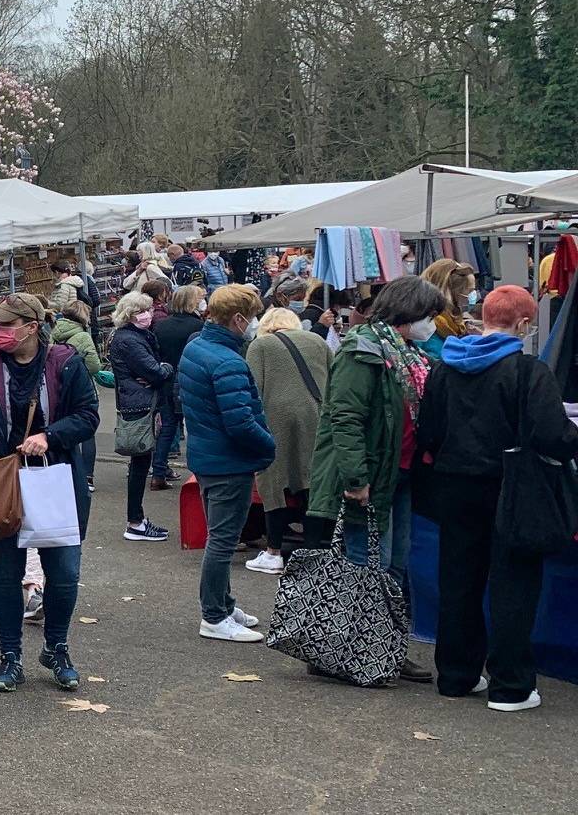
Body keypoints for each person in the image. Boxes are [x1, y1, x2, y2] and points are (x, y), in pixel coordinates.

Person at [417, 285, 578, 712]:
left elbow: (428, 430)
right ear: (524, 324)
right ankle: (511, 686)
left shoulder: (443, 368)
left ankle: (456, 675)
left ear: (484, 316)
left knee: (458, 581)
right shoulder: (528, 372)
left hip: (454, 486)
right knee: (514, 584)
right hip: (513, 488)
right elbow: (553, 435)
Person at [0, 294, 99, 691]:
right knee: (7, 575)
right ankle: (10, 656)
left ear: (32, 327)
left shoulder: (65, 362)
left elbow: (88, 416)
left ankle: (56, 647)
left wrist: (50, 436)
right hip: (0, 480)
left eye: (6, 326)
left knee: (64, 574)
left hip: (55, 480)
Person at [306, 276, 449, 683]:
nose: (433, 323)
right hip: (371, 475)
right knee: (367, 564)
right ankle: (345, 650)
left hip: (397, 474)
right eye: (430, 315)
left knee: (393, 566)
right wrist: (355, 478)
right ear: (411, 312)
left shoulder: (406, 352)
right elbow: (345, 417)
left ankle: (382, 647)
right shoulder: (364, 349)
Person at [178, 284, 277, 643]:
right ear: (238, 319)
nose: (253, 325)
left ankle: (222, 603)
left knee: (220, 538)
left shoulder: (197, 347)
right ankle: (214, 615)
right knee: (222, 541)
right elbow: (241, 422)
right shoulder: (228, 361)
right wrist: (269, 447)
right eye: (251, 318)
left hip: (207, 457)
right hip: (228, 462)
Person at [243, 307, 331, 575]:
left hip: (276, 417)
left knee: (273, 482)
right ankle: (314, 551)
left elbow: (253, 389)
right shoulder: (317, 341)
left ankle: (274, 552)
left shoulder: (260, 345)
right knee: (311, 480)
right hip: (316, 417)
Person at [108, 292, 173, 542]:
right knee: (139, 461)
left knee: (141, 462)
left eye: (148, 309)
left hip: (140, 401)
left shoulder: (135, 336)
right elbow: (155, 371)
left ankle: (137, 520)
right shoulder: (129, 340)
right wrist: (166, 367)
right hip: (139, 405)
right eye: (141, 311)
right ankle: (135, 521)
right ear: (129, 314)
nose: (147, 315)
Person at [51, 300, 112, 491]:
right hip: (80, 387)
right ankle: (87, 476)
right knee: (86, 431)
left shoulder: (52, 332)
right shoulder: (83, 337)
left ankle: (63, 472)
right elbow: (94, 366)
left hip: (56, 386)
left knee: (61, 428)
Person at [149, 284, 203, 491]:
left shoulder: (161, 325)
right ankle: (200, 474)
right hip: (190, 381)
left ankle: (159, 472)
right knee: (195, 428)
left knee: (168, 427)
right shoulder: (197, 326)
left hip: (166, 380)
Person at [420, 258, 477, 349]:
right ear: (449, 291)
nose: (472, 296)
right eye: (469, 291)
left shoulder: (456, 324)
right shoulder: (423, 326)